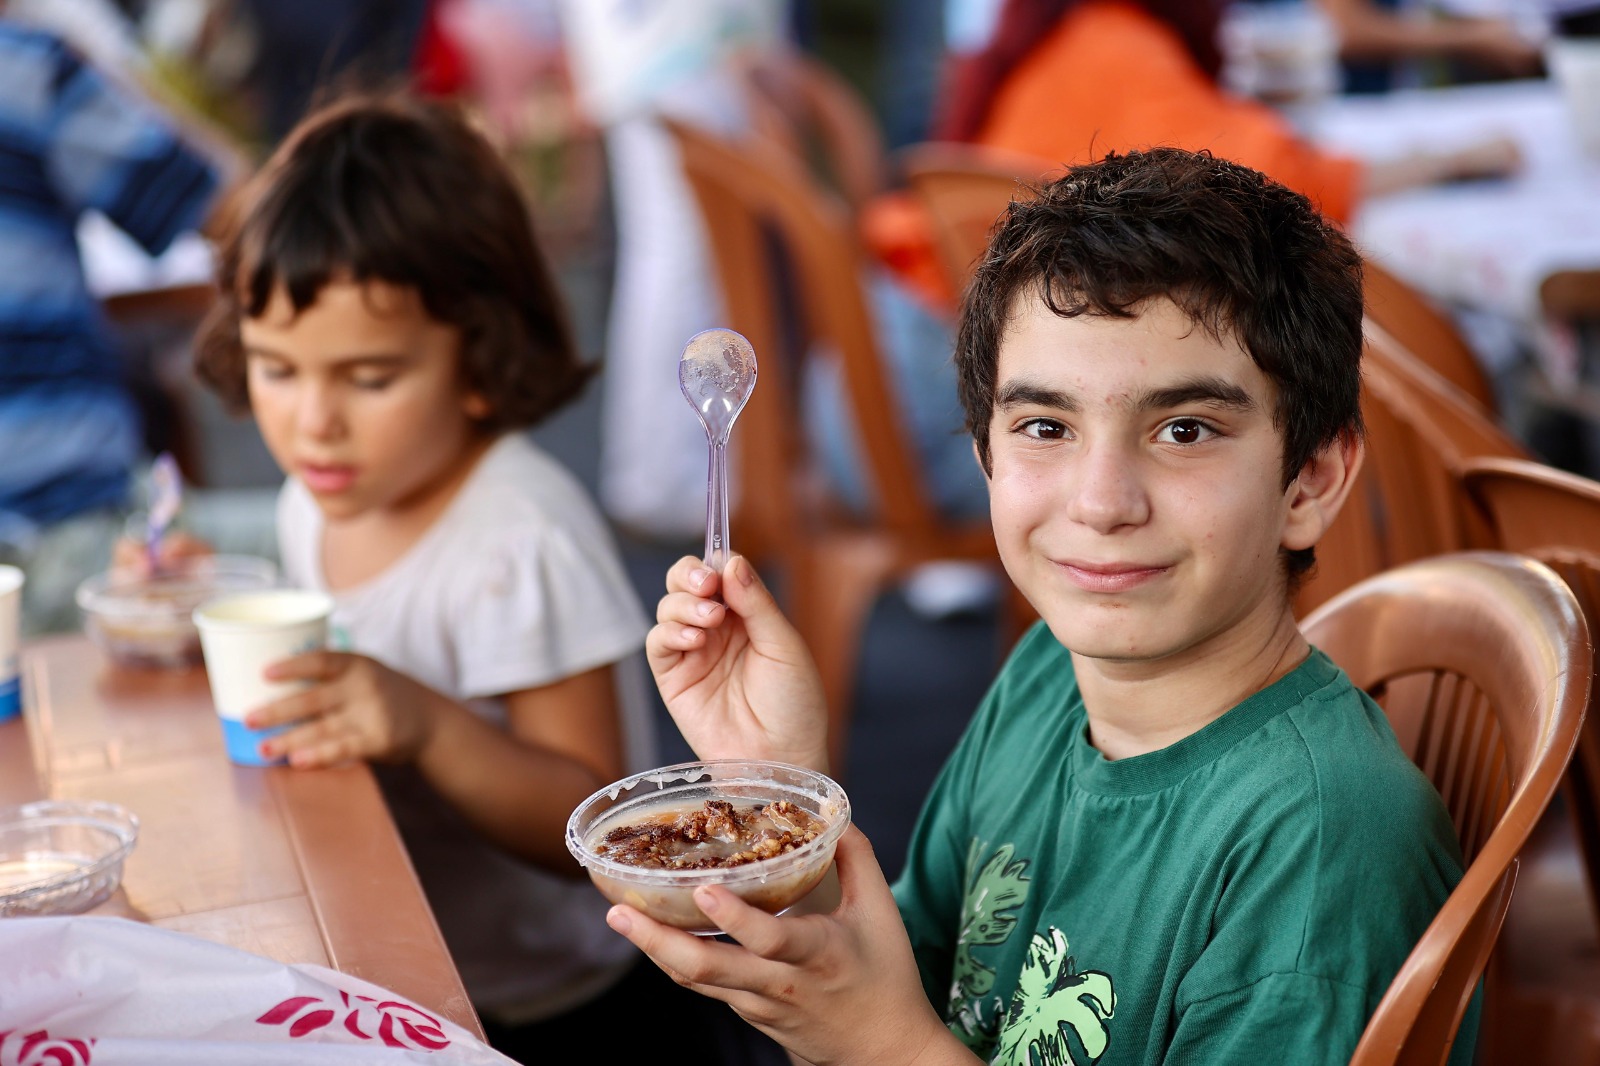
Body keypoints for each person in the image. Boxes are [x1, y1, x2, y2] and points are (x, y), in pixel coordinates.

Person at [607, 148, 1476, 1064]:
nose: (1101, 503)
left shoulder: (1321, 860)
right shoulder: (1050, 676)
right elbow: (913, 984)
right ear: (985, 458)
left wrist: (887, 1050)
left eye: (1184, 431)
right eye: (1046, 428)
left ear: (1310, 480)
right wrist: (780, 791)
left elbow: (893, 1032)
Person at [175, 88, 745, 1059]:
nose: (313, 422)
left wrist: (427, 726)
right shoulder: (313, 496)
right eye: (278, 368)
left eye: (369, 378)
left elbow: (596, 812)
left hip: (561, 1007)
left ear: (479, 356)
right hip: (404, 977)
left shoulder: (518, 539)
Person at [0, 15, 256, 635]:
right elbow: (250, 212)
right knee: (353, 543)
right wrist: (98, 65)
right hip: (66, 539)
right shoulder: (24, 67)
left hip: (68, 547)